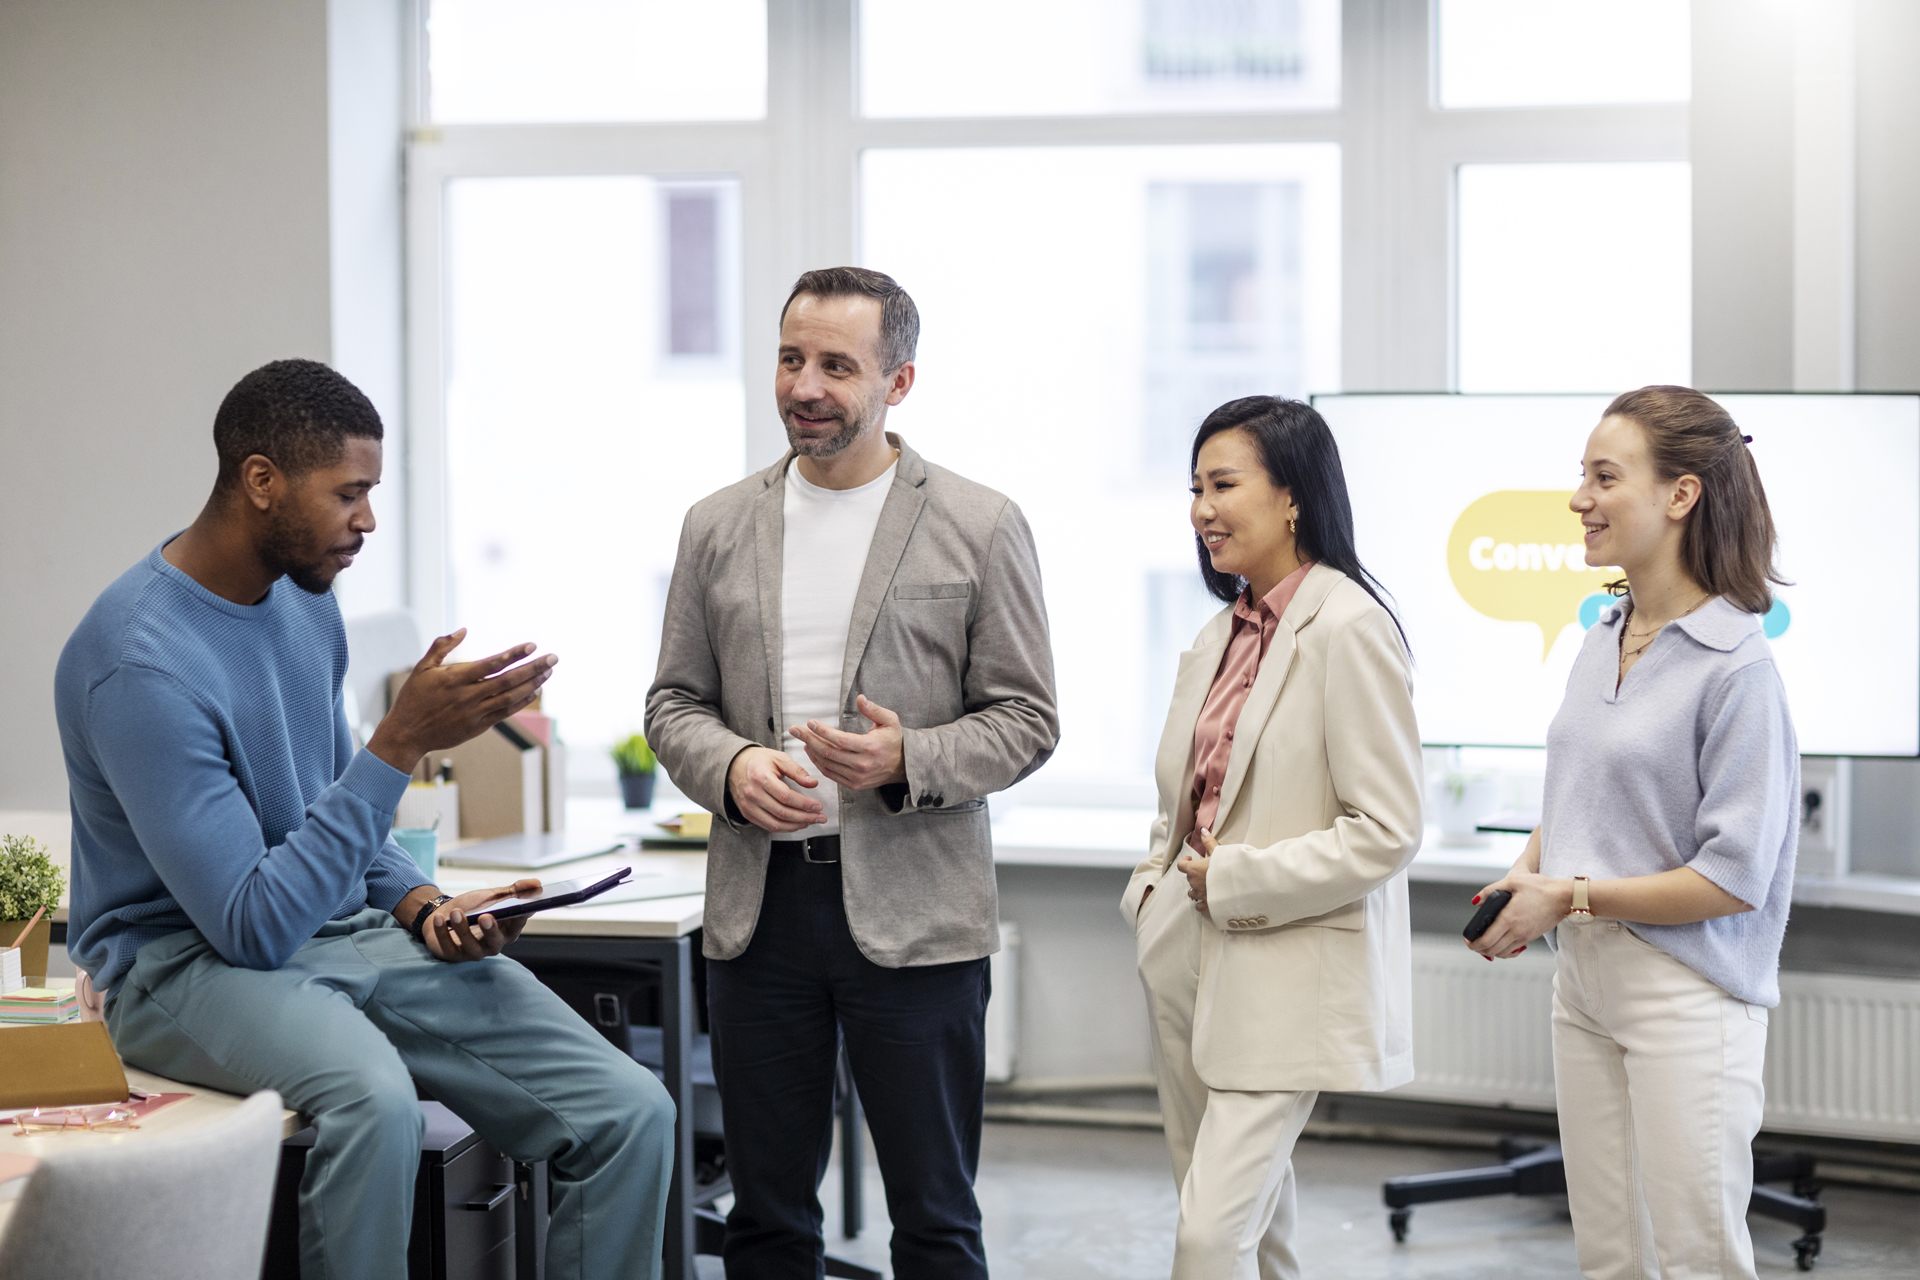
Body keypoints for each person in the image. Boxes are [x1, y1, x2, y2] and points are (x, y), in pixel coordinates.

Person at [56, 359, 675, 1280]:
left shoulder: (307, 608)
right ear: (261, 481)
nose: (369, 520)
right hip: (177, 965)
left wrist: (423, 904)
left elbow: (328, 805)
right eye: (349, 493)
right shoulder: (138, 664)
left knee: (630, 1112)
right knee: (374, 1101)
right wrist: (399, 746)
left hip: (338, 931)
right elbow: (251, 927)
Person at [647, 266, 1059, 1277]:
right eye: (791, 358)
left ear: (898, 382)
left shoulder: (979, 522)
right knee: (765, 1221)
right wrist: (733, 765)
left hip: (918, 914)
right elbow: (673, 703)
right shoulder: (716, 524)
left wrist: (906, 757)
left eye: (837, 365)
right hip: (760, 915)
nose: (805, 386)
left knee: (935, 1221)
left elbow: (1027, 718)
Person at [1468, 386, 1798, 1280]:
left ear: (1680, 495)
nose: (1580, 499)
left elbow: (1732, 880)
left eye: (1604, 477)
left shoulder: (1739, 669)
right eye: (1582, 476)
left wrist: (1567, 896)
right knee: (1608, 1254)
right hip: (1584, 983)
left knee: (1699, 1259)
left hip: (1685, 992)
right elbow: (1583, 796)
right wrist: (1525, 875)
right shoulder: (1602, 636)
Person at [1123, 396, 1423, 1280]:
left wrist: (1237, 881)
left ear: (1292, 497)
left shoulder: (1350, 627)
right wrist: (1152, 893)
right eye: (1195, 489)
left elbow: (1387, 830)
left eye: (1223, 485)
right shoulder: (1221, 631)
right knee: (1249, 1227)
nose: (1201, 510)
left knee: (1208, 1236)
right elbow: (1190, 794)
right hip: (1184, 943)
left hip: (1284, 963)